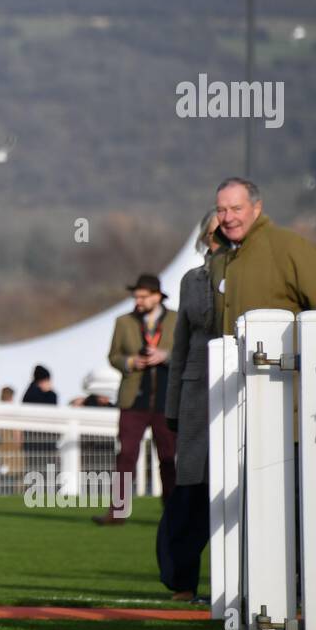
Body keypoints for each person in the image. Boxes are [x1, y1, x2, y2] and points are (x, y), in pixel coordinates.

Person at [158, 210, 221, 599]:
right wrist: (174, 408)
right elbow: (179, 346)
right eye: (214, 234)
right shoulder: (191, 281)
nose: (220, 240)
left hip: (247, 395)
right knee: (191, 492)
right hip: (198, 398)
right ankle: (182, 580)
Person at [210, 177, 316, 335]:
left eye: (237, 208)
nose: (228, 218)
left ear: (257, 208)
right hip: (228, 358)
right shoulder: (218, 259)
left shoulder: (289, 247)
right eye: (221, 210)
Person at [94, 274, 177, 525]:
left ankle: (172, 512)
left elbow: (186, 352)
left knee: (168, 457)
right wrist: (131, 362)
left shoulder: (176, 319)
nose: (137, 301)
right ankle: (117, 512)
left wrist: (165, 356)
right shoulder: (123, 321)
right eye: (136, 296)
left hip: (167, 400)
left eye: (143, 296)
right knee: (126, 455)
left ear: (157, 297)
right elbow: (114, 355)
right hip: (133, 400)